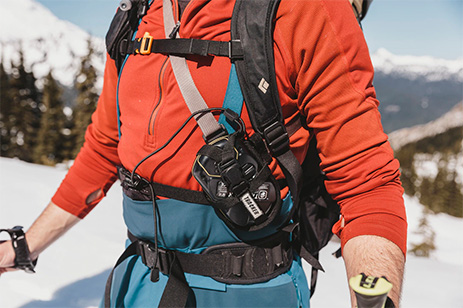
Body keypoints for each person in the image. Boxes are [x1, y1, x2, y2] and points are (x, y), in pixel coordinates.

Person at [0, 0, 407, 307]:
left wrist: (375, 296)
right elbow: (105, 149)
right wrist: (22, 247)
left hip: (250, 292)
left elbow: (367, 185)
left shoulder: (304, 9)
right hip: (141, 284)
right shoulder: (138, 13)